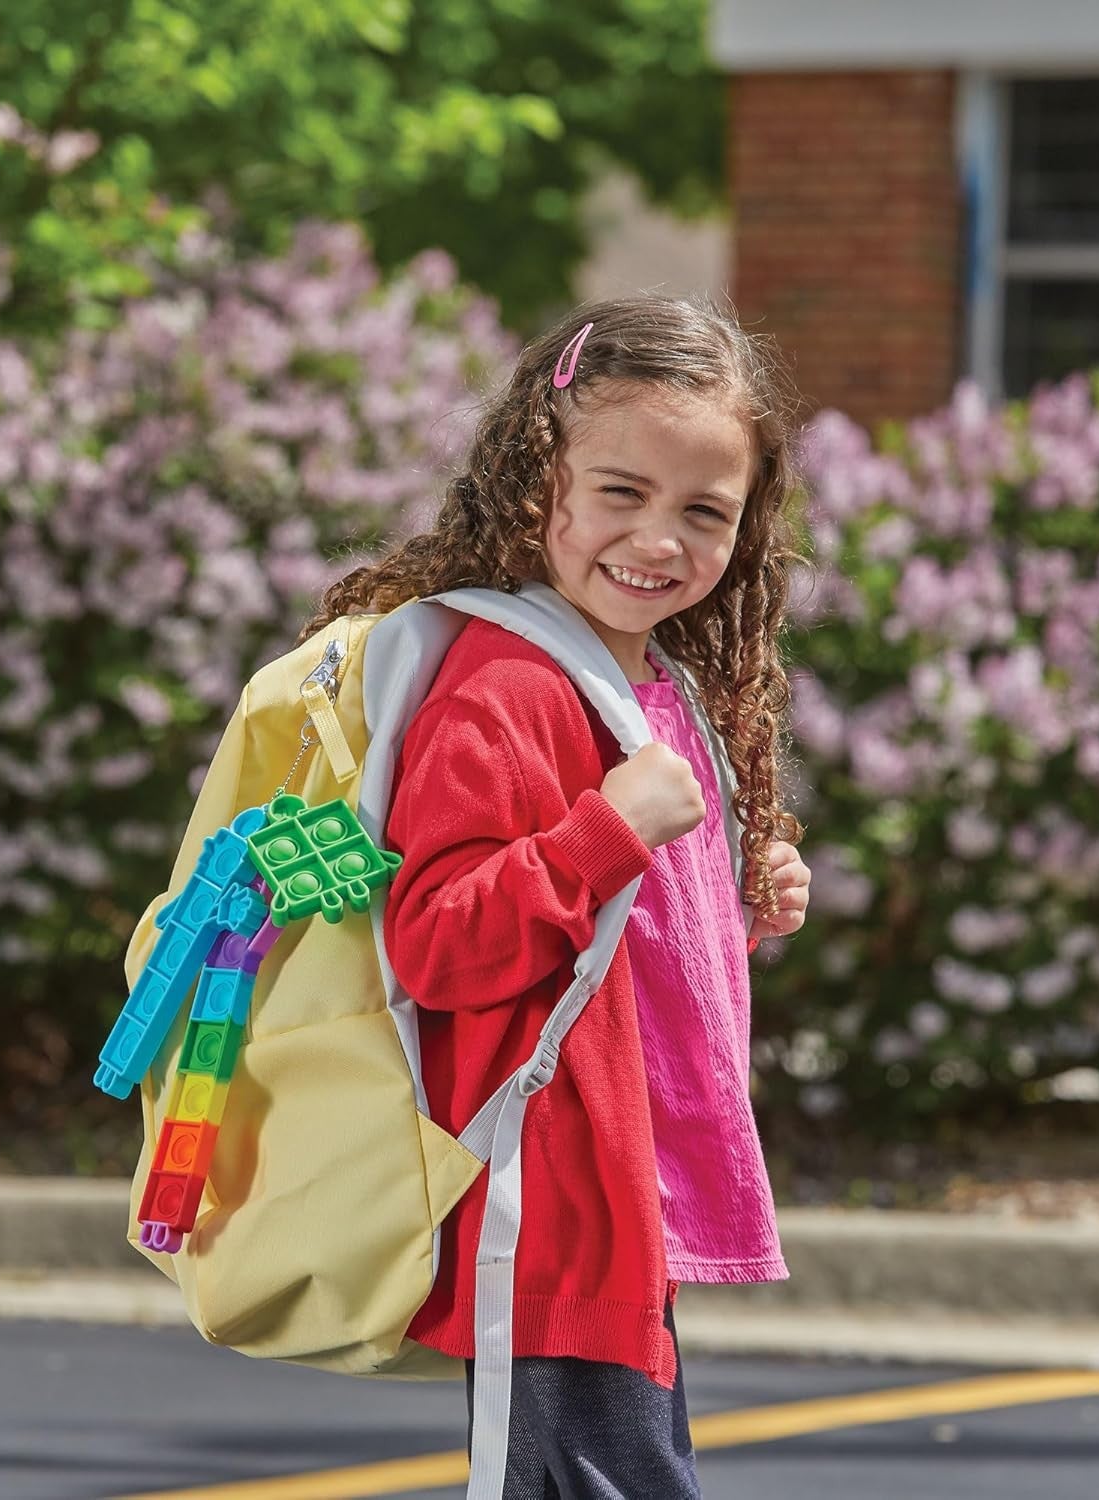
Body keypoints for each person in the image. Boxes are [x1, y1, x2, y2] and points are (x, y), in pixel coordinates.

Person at [298, 296, 812, 1498]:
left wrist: (744, 897)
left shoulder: (651, 677)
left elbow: (626, 948)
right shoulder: (510, 686)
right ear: (540, 476)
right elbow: (439, 944)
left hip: (617, 1200)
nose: (660, 539)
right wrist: (603, 832)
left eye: (704, 512)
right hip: (553, 1202)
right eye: (621, 492)